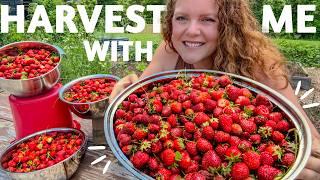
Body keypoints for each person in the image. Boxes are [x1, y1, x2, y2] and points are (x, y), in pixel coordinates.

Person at [110, 0, 320, 179]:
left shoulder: (257, 64)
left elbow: (311, 143)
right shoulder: (169, 52)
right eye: (181, 18)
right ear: (170, 21)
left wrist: (296, 165)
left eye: (207, 19)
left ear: (229, 25)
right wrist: (126, 86)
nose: (191, 30)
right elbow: (137, 104)